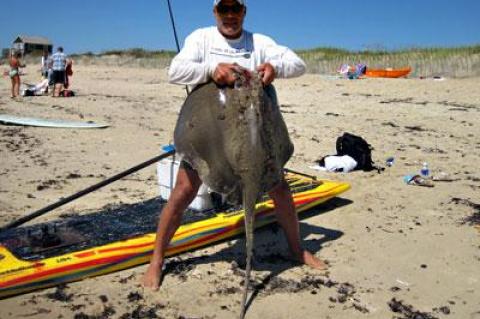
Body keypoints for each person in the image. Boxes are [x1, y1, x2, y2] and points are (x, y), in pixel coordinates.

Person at [143, 0, 327, 291]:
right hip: (211, 134)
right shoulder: (202, 38)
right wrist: (210, 70)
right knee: (183, 192)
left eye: (236, 9)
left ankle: (297, 249)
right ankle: (156, 260)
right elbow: (175, 72)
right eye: (224, 9)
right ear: (215, 11)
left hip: (256, 132)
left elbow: (298, 64)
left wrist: (274, 67)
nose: (230, 15)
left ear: (244, 11)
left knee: (279, 188)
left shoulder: (259, 42)